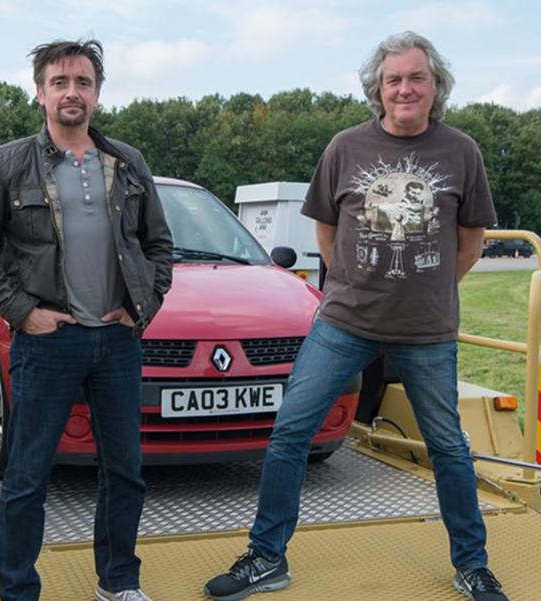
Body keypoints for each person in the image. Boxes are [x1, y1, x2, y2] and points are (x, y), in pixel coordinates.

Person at [204, 32, 506, 601]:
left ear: (435, 85)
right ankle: (267, 557)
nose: (405, 88)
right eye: (394, 79)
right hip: (343, 322)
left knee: (448, 447)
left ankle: (472, 564)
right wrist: (356, 285)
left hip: (426, 331)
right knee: (291, 430)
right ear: (378, 89)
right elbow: (328, 231)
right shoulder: (345, 147)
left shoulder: (461, 151)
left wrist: (426, 292)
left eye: (416, 77)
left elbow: (470, 241)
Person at [0, 39, 173, 601]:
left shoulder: (128, 162)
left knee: (125, 473)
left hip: (117, 343)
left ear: (97, 91)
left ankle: (118, 583)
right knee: (26, 478)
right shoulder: (4, 164)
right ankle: (18, 591)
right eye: (59, 82)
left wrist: (142, 306)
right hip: (47, 343)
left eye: (83, 82)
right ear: (40, 91)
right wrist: (24, 313)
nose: (72, 92)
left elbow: (159, 246)